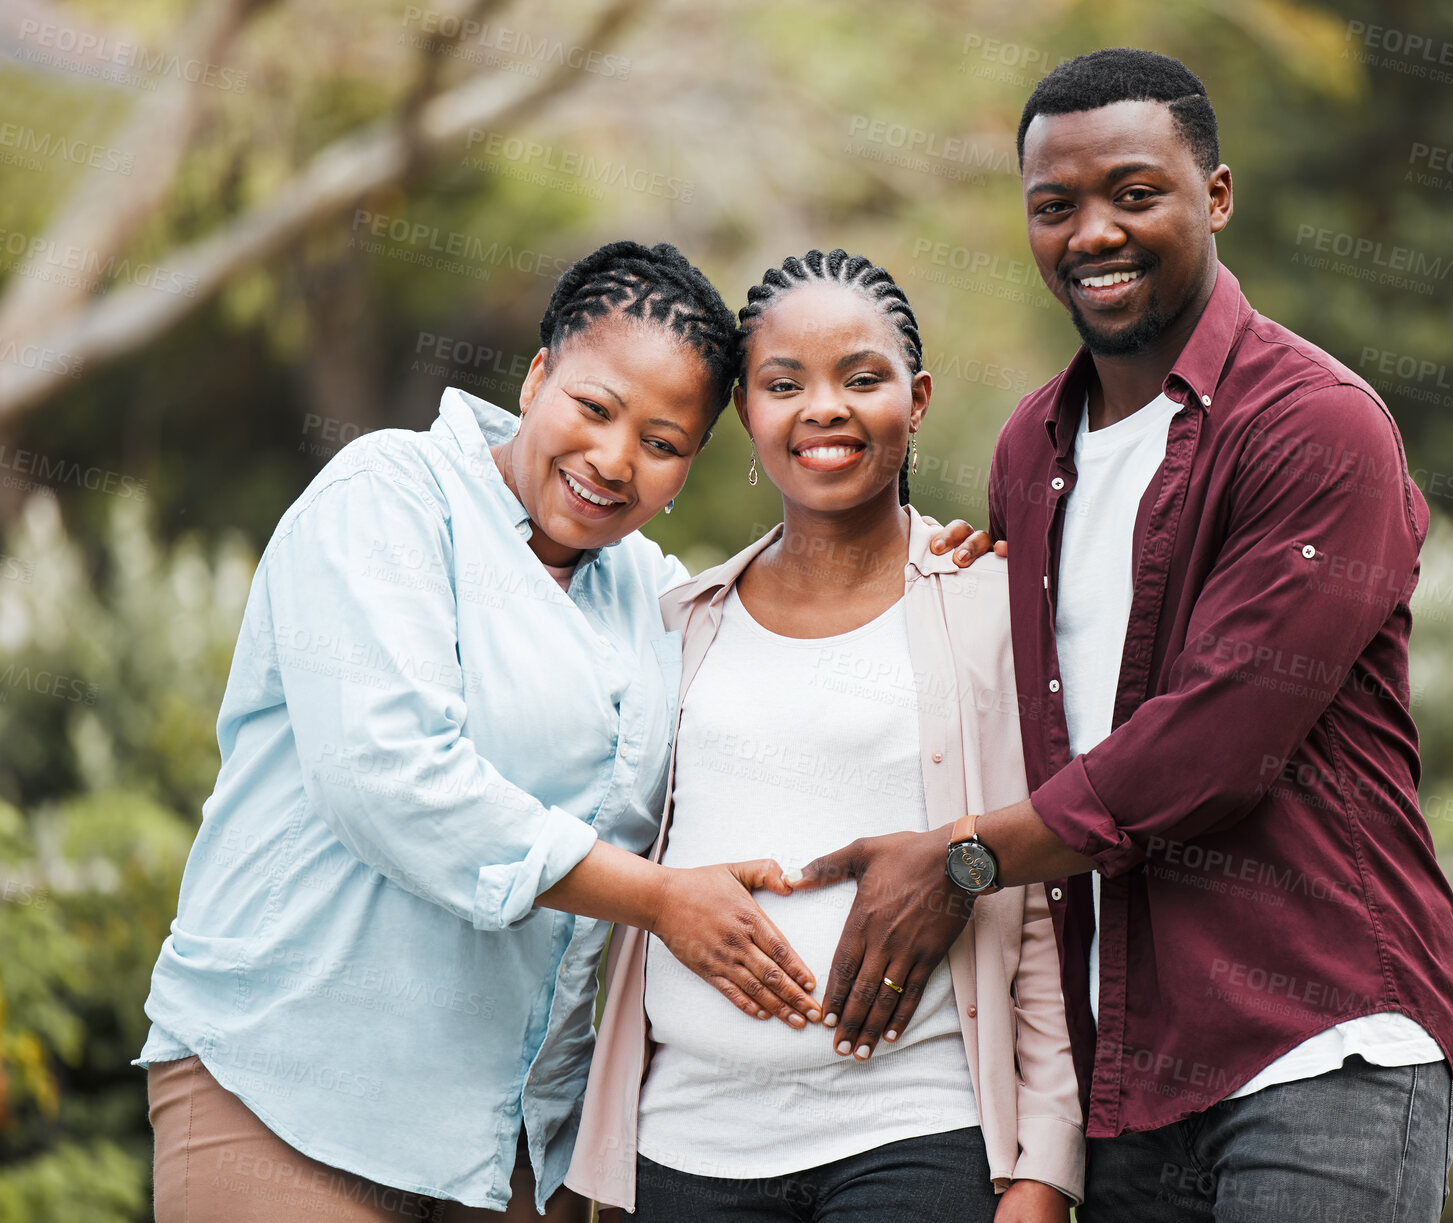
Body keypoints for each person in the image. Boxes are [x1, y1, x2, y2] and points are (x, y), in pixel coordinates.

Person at [136, 239, 994, 1222]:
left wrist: (935, 566)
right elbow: (390, 776)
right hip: (294, 1091)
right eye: (594, 409)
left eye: (664, 443)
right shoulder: (389, 496)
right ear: (539, 374)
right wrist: (660, 899)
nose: (614, 460)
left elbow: (785, 694)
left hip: (507, 1140)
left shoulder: (657, 598)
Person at [796, 51, 1453, 1222]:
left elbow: (1216, 741)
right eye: (1055, 206)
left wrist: (962, 857)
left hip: (1321, 1045)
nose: (1092, 232)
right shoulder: (1028, 450)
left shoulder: (1315, 426)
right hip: (1128, 1073)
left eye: (1134, 192)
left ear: (1215, 196)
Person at [565, 250, 1083, 1222]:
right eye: (783, 383)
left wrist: (1045, 1164)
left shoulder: (987, 609)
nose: (824, 407)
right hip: (685, 1142)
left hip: (914, 1135)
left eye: (862, 376)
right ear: (746, 413)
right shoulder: (679, 623)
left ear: (917, 397)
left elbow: (1048, 886)